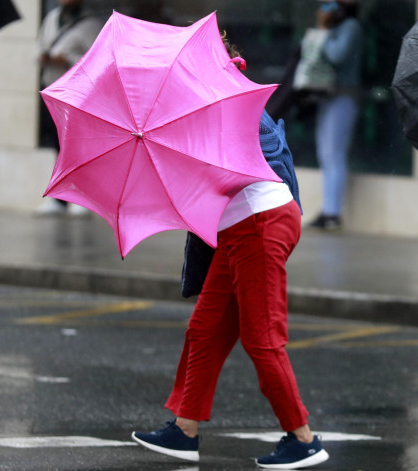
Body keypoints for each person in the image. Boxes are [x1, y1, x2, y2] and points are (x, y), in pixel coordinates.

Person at [131, 39, 328, 471]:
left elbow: (214, 166)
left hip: (260, 224)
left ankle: (303, 438)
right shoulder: (202, 99)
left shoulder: (222, 97)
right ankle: (184, 430)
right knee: (205, 328)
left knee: (262, 337)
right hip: (239, 226)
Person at [35, 0, 102, 216]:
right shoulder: (51, 18)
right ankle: (60, 198)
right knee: (58, 145)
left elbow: (97, 61)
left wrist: (67, 61)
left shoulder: (90, 24)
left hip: (78, 94)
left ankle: (83, 198)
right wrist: (45, 57)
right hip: (53, 90)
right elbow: (38, 45)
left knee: (79, 147)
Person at [307, 0, 362, 231]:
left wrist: (324, 31)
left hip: (343, 98)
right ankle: (327, 210)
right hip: (326, 97)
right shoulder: (337, 27)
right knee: (325, 154)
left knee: (334, 154)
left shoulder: (350, 26)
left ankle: (332, 213)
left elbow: (336, 55)